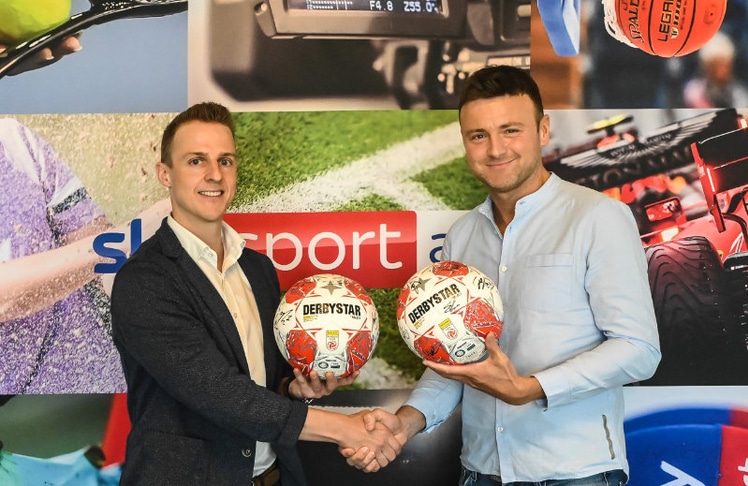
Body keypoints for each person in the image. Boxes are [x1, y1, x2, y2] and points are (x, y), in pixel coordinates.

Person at [345, 65, 662, 484]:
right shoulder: (462, 237)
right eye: (479, 136)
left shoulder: (598, 217)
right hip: (481, 471)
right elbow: (456, 361)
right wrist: (406, 421)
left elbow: (638, 349)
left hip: (575, 473)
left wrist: (531, 387)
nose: (495, 149)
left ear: (543, 130)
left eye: (510, 130)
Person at [110, 102, 400, 485]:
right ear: (165, 173)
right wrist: (344, 428)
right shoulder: (144, 280)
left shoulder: (257, 268)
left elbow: (264, 382)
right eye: (196, 161)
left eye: (225, 161)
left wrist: (295, 388)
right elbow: (219, 393)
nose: (215, 175)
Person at [0, 118, 170, 394]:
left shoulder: (15, 137)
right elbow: (6, 299)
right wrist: (131, 236)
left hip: (97, 376)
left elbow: (92, 245)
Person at [682, 31, 748, 109]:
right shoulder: (694, 92)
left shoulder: (739, 94)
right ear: (707, 67)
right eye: (716, 65)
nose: (722, 70)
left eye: (725, 65)